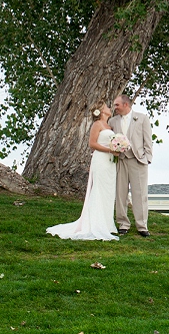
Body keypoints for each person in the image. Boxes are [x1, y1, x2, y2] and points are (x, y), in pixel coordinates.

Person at [46, 101, 122, 241]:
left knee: (108, 191)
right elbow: (92, 144)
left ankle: (107, 224)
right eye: (107, 106)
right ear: (101, 110)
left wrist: (117, 150)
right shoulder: (97, 124)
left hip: (110, 163)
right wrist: (109, 150)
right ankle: (95, 224)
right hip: (100, 160)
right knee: (98, 190)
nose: (109, 108)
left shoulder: (109, 126)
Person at [110, 93, 153, 236]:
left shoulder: (142, 118)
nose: (115, 107)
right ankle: (123, 223)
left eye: (117, 105)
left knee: (140, 194)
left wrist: (147, 158)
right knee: (120, 193)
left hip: (138, 160)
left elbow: (148, 140)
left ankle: (142, 225)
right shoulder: (113, 121)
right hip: (120, 160)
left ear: (125, 104)